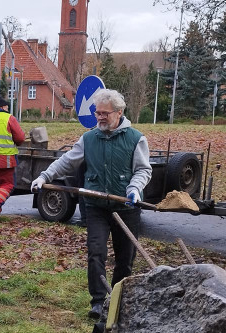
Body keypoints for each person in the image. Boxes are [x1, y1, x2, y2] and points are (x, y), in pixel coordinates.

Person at [31, 88, 151, 320]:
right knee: (96, 254)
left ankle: (116, 301)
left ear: (119, 113)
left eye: (105, 113)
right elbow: (67, 162)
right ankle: (98, 301)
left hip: (125, 207)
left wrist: (135, 188)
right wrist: (44, 177)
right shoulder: (89, 139)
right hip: (96, 206)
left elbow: (143, 170)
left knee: (125, 259)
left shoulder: (136, 139)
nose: (100, 117)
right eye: (97, 113)